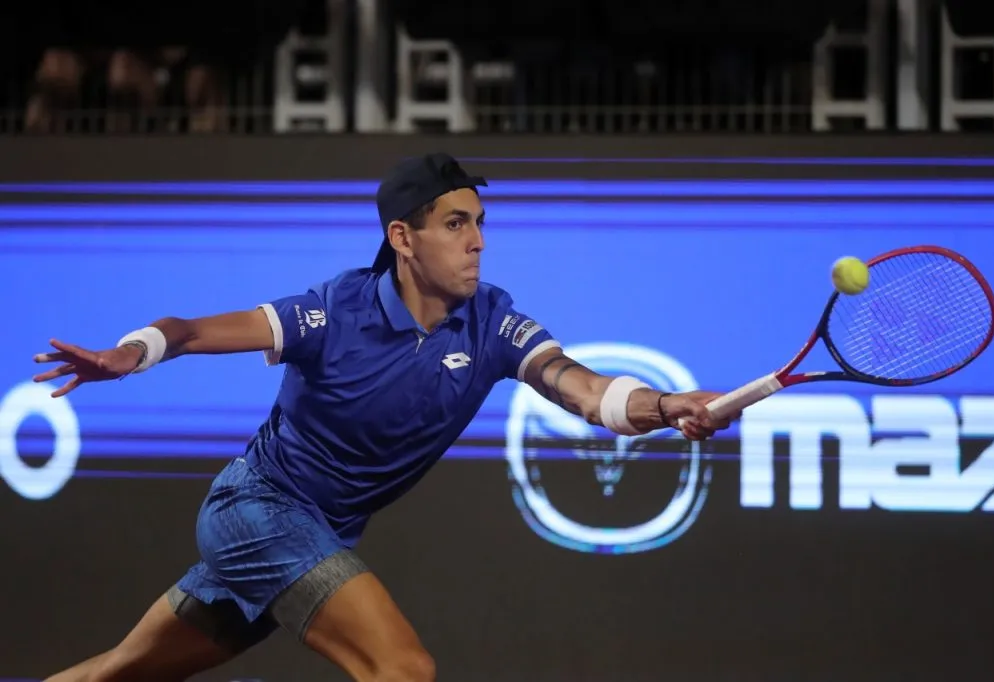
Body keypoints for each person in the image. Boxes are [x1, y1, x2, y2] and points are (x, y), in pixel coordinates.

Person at [32, 153, 740, 682]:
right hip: (257, 510)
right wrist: (131, 352)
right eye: (456, 224)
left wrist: (664, 405)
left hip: (314, 532)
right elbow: (189, 331)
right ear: (403, 238)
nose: (478, 242)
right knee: (404, 670)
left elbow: (586, 391)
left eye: (480, 224)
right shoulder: (331, 310)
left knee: (112, 675)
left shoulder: (493, 322)